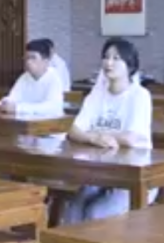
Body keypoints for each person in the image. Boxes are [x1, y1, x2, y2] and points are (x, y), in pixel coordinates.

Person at [63, 38, 154, 224]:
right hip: (101, 172)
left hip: (134, 176)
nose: (108, 63)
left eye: (116, 58)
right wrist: (93, 138)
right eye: (106, 57)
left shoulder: (140, 96)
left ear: (130, 65)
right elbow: (74, 130)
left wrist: (98, 135)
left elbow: (131, 138)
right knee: (73, 209)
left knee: (96, 213)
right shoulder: (97, 94)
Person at [0, 39, 66, 115]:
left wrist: (18, 108)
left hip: (50, 121)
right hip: (27, 120)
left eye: (33, 58)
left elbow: (52, 107)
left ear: (45, 61)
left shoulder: (54, 77)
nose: (28, 62)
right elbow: (13, 98)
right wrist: (4, 103)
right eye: (27, 58)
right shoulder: (24, 77)